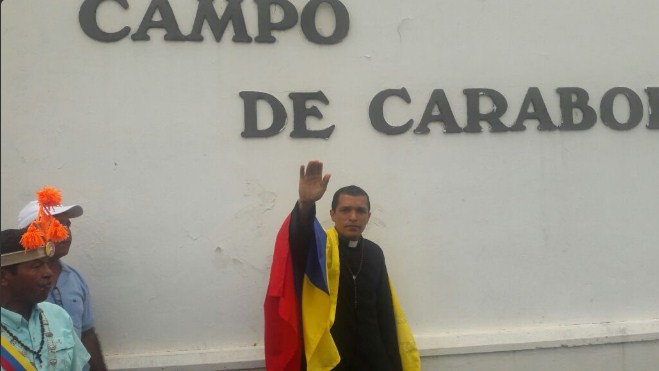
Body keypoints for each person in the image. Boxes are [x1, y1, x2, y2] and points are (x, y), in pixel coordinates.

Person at [264, 160, 420, 370]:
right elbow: (297, 242)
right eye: (345, 210)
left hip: (373, 358)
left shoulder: (374, 253)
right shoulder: (319, 247)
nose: (353, 217)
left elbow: (384, 310)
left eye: (360, 211)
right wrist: (306, 204)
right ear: (332, 214)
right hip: (333, 357)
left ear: (369, 216)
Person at [17, 195, 107, 371]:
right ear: (31, 232)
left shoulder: (75, 279)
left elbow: (87, 334)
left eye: (68, 225)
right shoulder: (14, 283)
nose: (66, 232)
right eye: (56, 225)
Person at [1, 228, 90, 370]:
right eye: (36, 266)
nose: (48, 273)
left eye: (47, 264)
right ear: (3, 277)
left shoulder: (58, 316)